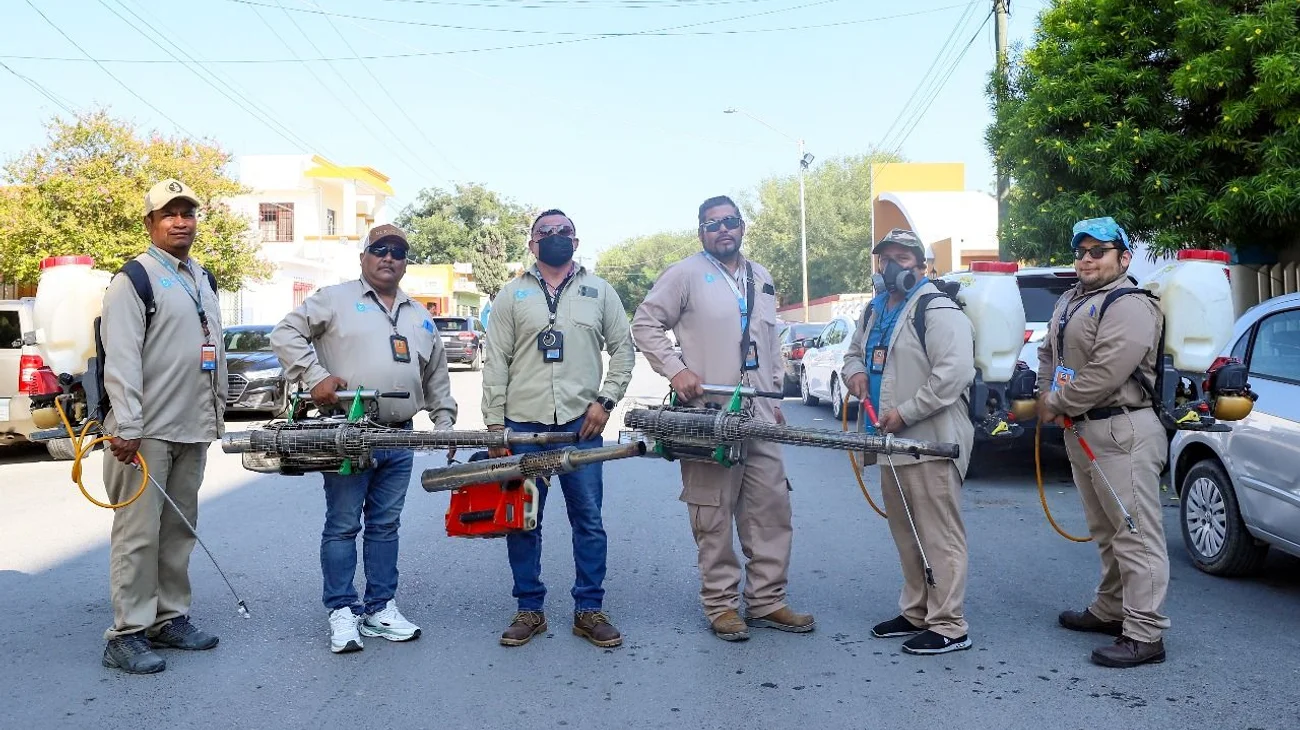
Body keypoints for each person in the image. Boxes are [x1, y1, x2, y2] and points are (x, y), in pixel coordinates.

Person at [632, 195, 814, 642]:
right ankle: (721, 606)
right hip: (708, 415)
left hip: (760, 415)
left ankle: (767, 601)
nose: (723, 229)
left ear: (742, 226)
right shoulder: (684, 275)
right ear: (701, 233)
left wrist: (776, 400)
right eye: (712, 224)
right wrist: (676, 370)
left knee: (771, 509)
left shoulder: (761, 277)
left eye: (730, 221)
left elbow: (769, 347)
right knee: (712, 514)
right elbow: (645, 324)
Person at [271, 223, 458, 655]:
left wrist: (446, 422)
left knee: (385, 525)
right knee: (343, 524)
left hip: (400, 437)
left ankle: (380, 608)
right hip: (348, 433)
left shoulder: (419, 314)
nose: (389, 257)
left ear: (406, 262)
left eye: (398, 251)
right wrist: (315, 377)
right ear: (364, 257)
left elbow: (436, 375)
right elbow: (285, 334)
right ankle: (342, 610)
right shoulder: (335, 299)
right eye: (380, 249)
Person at [482, 209, 635, 649]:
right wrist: (495, 425)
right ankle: (529, 609)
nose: (555, 236)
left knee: (588, 520)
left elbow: (623, 351)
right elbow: (496, 361)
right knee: (523, 520)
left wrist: (605, 402)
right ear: (532, 243)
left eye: (563, 231)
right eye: (545, 232)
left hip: (580, 427)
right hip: (522, 426)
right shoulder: (511, 294)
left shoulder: (599, 291)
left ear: (576, 241)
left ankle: (589, 610)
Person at [99, 178, 227, 674]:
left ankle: (168, 619)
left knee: (178, 531)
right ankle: (126, 634)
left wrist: (217, 413)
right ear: (150, 223)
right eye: (169, 214)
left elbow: (211, 350)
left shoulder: (203, 277)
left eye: (187, 213)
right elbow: (121, 358)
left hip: (193, 426)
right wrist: (127, 425)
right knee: (138, 536)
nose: (180, 222)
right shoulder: (134, 279)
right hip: (144, 431)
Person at [1036, 217, 1169, 668]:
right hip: (1082, 428)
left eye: (1099, 251)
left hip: (1122, 429)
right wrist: (1046, 393)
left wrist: (1057, 401)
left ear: (1124, 258)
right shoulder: (1071, 300)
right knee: (1106, 529)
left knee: (1135, 534)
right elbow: (1048, 354)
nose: (1087, 259)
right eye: (1081, 252)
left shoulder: (1130, 304)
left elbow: (1107, 371)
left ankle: (1145, 634)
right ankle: (1111, 608)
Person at [842, 228, 976, 656]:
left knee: (939, 535)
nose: (891, 266)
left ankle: (950, 624)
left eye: (902, 258)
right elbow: (853, 353)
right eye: (885, 258)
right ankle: (917, 611)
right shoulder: (874, 309)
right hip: (889, 442)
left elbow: (954, 373)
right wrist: (854, 373)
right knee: (907, 533)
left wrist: (906, 413)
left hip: (930, 442)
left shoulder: (936, 307)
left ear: (921, 265)